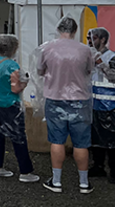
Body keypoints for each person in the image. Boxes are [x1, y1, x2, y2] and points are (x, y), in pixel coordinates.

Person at [37, 17, 95, 194]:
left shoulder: (47, 47)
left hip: (55, 98)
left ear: (58, 29)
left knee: (57, 140)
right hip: (80, 100)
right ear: (75, 31)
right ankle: (84, 183)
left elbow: (40, 70)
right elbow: (89, 71)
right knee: (81, 143)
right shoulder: (86, 50)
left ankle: (56, 181)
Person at [0, 34, 37, 182]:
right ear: (13, 49)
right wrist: (25, 82)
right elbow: (15, 89)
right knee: (18, 136)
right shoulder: (12, 66)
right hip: (9, 105)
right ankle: (25, 172)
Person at [86, 28, 115, 184]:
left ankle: (114, 170)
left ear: (103, 40)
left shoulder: (112, 57)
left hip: (110, 106)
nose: (90, 41)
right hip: (93, 105)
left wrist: (101, 64)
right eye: (88, 38)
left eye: (93, 38)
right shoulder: (89, 57)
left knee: (112, 142)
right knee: (95, 139)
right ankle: (98, 166)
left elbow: (114, 77)